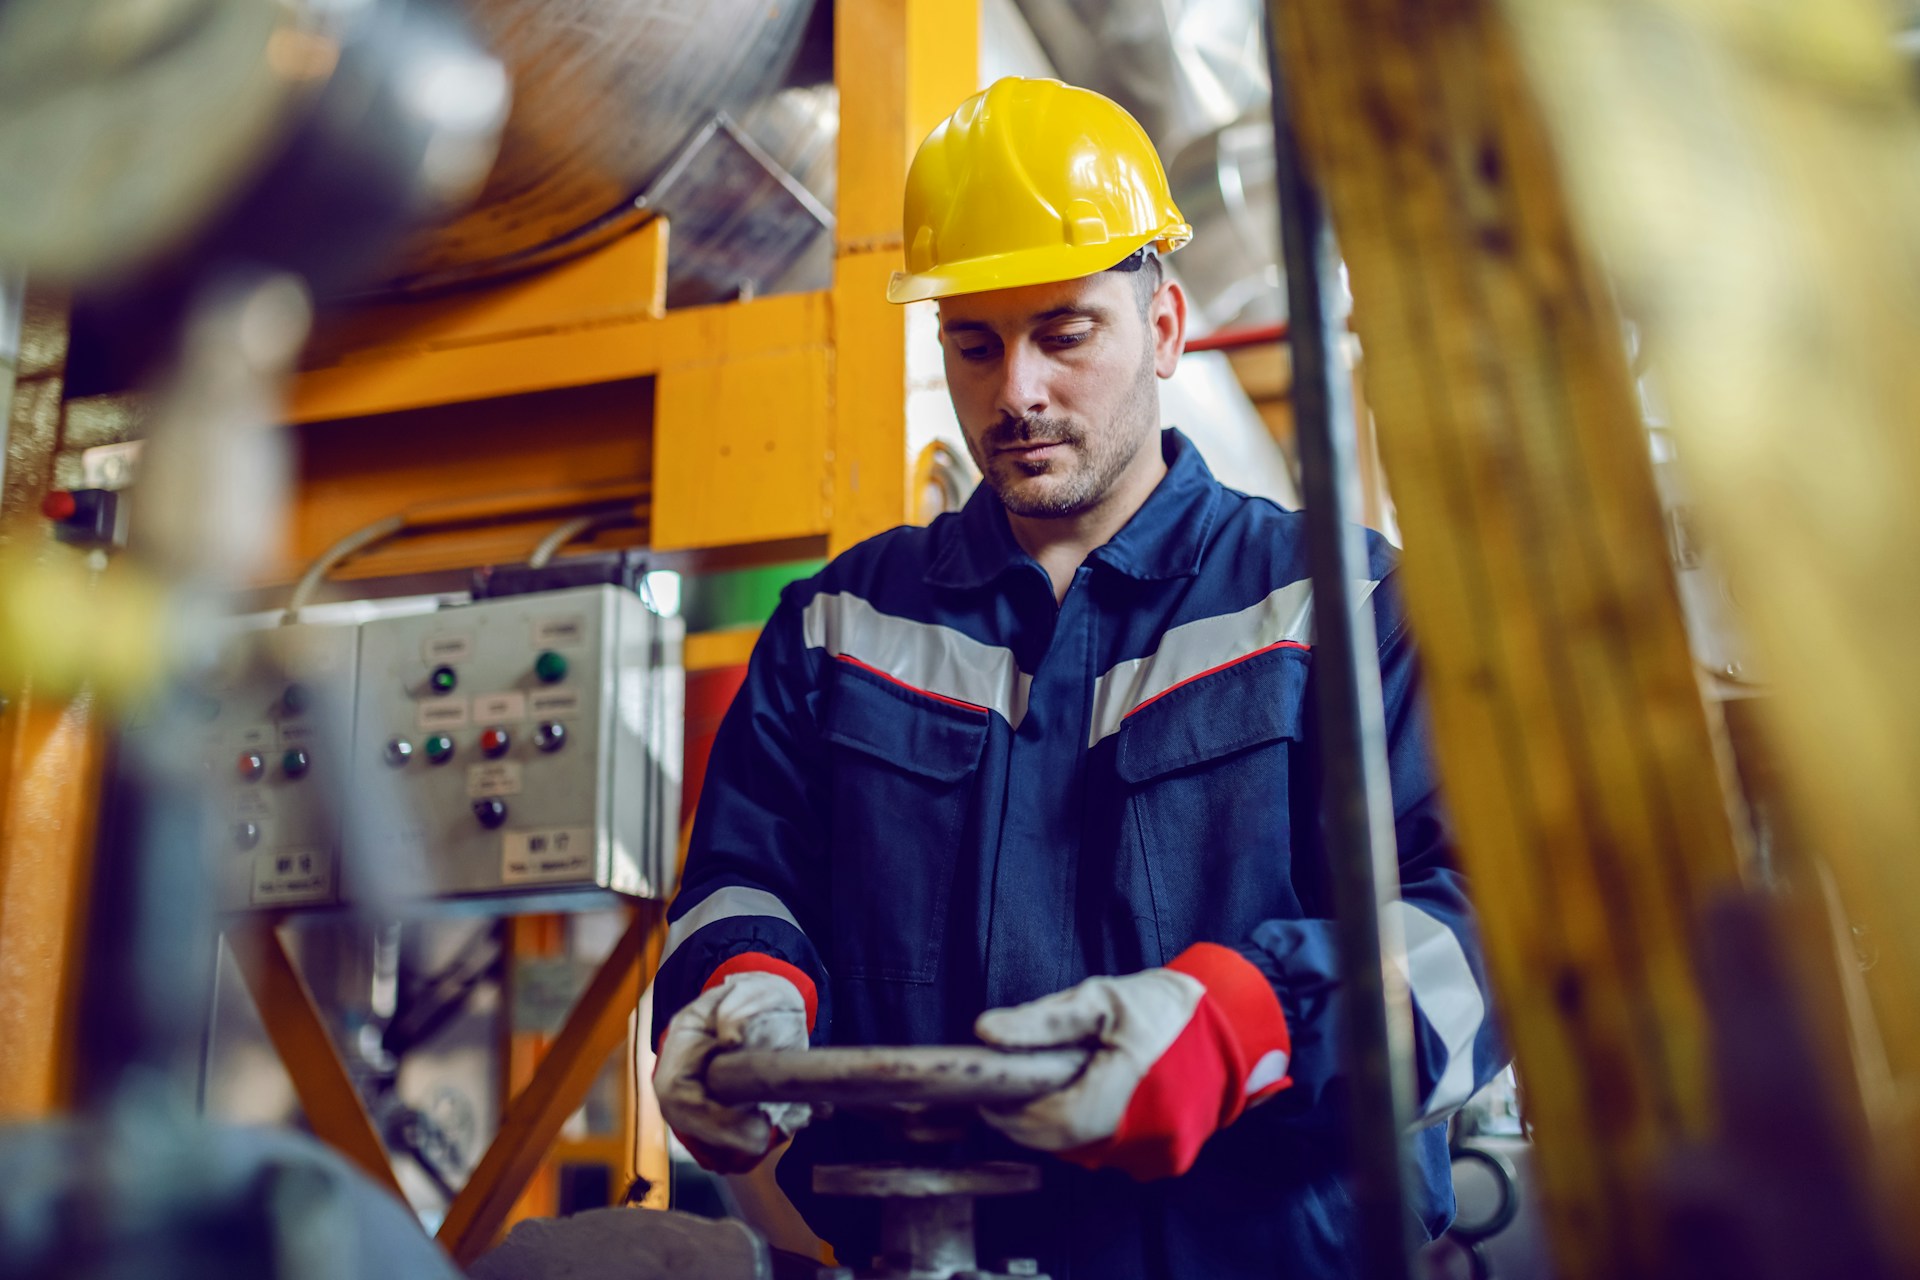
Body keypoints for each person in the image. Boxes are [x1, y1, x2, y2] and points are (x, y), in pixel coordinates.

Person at [651, 76, 1505, 1279]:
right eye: (974, 342)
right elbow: (741, 881)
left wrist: (1248, 1023)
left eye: (1065, 332)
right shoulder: (835, 631)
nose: (1017, 392)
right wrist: (740, 986)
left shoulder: (1345, 609)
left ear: (1162, 330)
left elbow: (1487, 941)